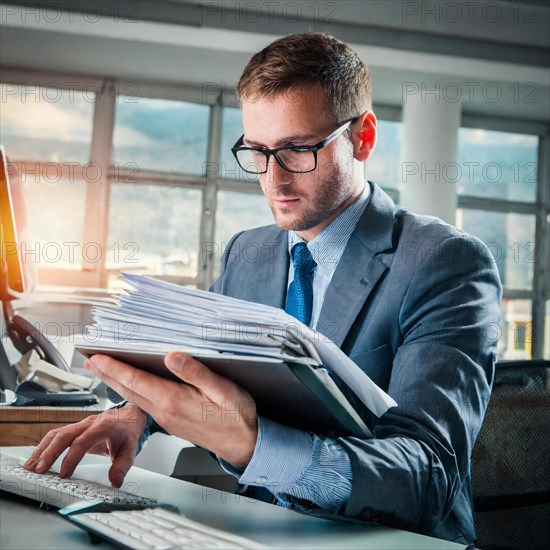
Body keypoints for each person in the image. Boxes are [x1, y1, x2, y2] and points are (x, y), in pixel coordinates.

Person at [24, 33, 501, 544]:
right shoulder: (247, 253)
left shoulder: (445, 262)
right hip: (260, 530)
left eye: (298, 149)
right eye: (257, 150)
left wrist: (255, 447)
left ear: (362, 137)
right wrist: (135, 415)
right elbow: (187, 361)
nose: (273, 179)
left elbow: (425, 478)